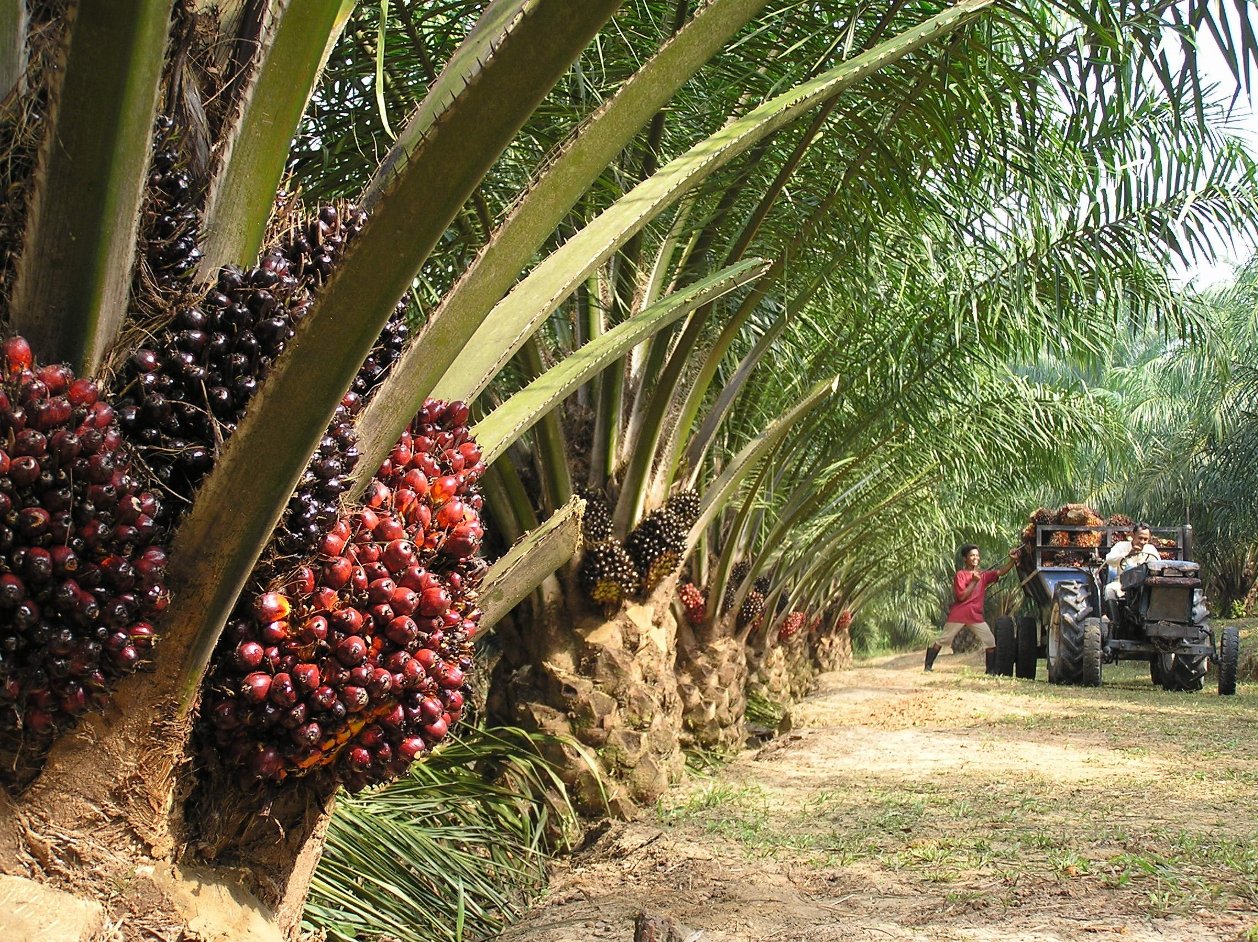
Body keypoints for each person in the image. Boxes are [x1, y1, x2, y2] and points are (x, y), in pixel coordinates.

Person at [925, 544, 1019, 673]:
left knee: (990, 641)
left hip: (975, 615)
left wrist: (1012, 560)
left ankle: (990, 670)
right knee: (943, 639)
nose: (975, 558)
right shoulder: (961, 575)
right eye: (972, 555)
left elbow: (1000, 572)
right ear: (965, 559)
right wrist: (974, 581)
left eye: (977, 555)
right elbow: (961, 597)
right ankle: (928, 666)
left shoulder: (983, 575)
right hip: (959, 614)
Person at [1101, 522, 1161, 620]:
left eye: (1145, 539)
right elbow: (1109, 560)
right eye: (1140, 538)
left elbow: (1158, 565)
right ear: (1133, 535)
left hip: (1145, 585)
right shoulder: (1121, 546)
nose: (1142, 542)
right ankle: (1115, 622)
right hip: (1123, 583)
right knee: (1109, 590)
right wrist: (1128, 553)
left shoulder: (1151, 550)